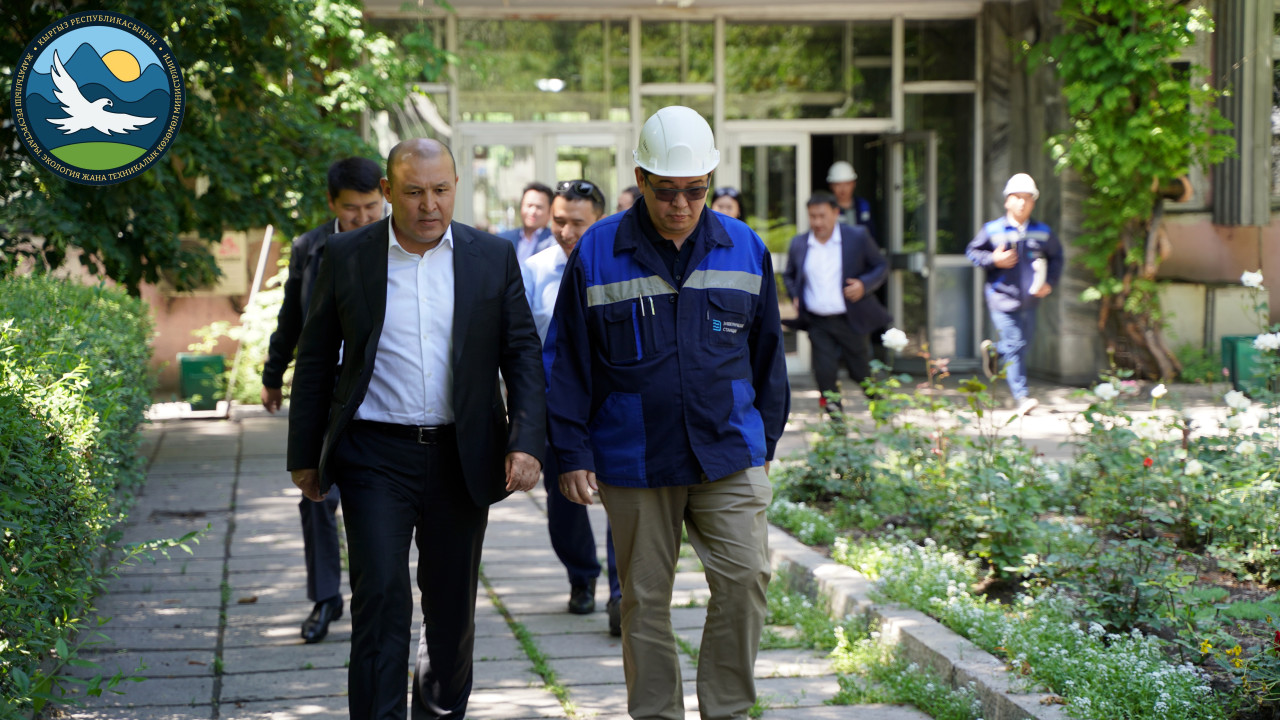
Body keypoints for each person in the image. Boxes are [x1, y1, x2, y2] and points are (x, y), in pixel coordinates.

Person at [287, 138, 546, 720]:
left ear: (456, 188)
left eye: (441, 190)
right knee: (380, 598)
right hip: (374, 455)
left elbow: (522, 353)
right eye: (413, 192)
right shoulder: (347, 254)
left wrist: (527, 441)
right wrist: (305, 454)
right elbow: (316, 356)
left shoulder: (491, 255)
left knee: (451, 610)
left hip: (462, 455)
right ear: (387, 191)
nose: (429, 205)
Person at [546, 105, 790, 720]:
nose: (681, 204)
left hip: (727, 449)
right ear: (640, 179)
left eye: (695, 190)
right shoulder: (598, 250)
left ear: (709, 180)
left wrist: (764, 444)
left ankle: (727, 710)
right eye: (666, 191)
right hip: (635, 455)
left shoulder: (744, 247)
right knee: (643, 600)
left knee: (745, 579)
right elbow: (567, 359)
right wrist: (571, 452)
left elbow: (768, 357)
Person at [259, 156, 384, 644]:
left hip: (380, 390)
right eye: (352, 208)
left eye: (371, 206)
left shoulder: (399, 243)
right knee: (315, 495)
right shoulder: (310, 248)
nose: (363, 217)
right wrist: (273, 376)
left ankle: (381, 596)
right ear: (333, 203)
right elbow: (292, 317)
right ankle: (326, 596)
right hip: (327, 391)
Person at [521, 179, 622, 635]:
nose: (565, 231)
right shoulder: (535, 270)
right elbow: (523, 346)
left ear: (600, 220)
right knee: (564, 502)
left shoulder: (618, 267)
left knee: (625, 499)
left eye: (577, 223)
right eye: (559, 221)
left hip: (613, 403)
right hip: (556, 407)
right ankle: (582, 576)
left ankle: (621, 594)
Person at [782, 192, 891, 415]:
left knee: (860, 372)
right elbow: (789, 275)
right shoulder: (800, 243)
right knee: (824, 374)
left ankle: (883, 413)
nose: (817, 222)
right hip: (817, 322)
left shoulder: (857, 237)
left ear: (835, 213)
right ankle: (836, 426)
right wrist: (795, 295)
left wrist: (863, 285)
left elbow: (881, 266)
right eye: (812, 216)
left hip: (850, 319)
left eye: (822, 216)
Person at [966, 173, 1063, 416]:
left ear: (1033, 202)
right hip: (1000, 297)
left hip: (1030, 299)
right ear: (1007, 200)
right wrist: (994, 259)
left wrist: (1049, 283)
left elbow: (1057, 257)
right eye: (1017, 197)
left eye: (1027, 198)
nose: (1022, 203)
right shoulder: (992, 229)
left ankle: (995, 352)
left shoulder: (1042, 231)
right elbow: (973, 252)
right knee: (1017, 344)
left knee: (1023, 344)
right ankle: (1022, 397)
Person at [498, 181, 555, 264]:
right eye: (529, 205)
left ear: (550, 211)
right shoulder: (503, 239)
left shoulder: (556, 243)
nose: (533, 211)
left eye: (539, 207)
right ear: (521, 207)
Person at [826, 160, 877, 240]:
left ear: (854, 184)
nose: (843, 189)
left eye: (847, 184)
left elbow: (871, 233)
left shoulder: (863, 205)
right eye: (838, 185)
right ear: (831, 186)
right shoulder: (827, 208)